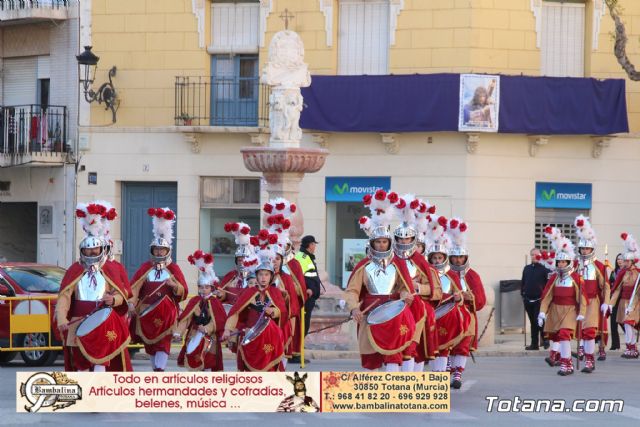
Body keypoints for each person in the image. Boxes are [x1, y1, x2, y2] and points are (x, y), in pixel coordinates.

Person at [345, 190, 417, 371]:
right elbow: (352, 290)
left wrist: (405, 294)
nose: (381, 245)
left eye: (384, 242)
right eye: (378, 242)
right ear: (372, 244)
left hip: (393, 311)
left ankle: (391, 393)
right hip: (370, 311)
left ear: (389, 243)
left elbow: (403, 286)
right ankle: (373, 394)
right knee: (372, 358)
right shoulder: (363, 265)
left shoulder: (398, 263)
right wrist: (354, 308)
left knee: (393, 355)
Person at [56, 202, 131, 372]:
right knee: (80, 364)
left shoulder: (109, 269)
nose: (92, 254)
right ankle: (85, 396)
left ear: (101, 249)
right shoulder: (75, 270)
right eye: (88, 251)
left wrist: (113, 299)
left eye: (95, 250)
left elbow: (122, 294)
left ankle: (99, 394)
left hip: (101, 322)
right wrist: (62, 319)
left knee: (101, 361)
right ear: (82, 251)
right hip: (77, 322)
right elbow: (64, 297)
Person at [130, 207, 188, 371]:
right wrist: (131, 303)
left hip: (166, 313)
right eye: (156, 249)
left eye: (162, 249)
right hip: (147, 311)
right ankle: (156, 368)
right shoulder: (145, 267)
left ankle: (159, 370)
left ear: (167, 250)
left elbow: (183, 290)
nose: (159, 251)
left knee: (163, 343)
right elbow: (134, 287)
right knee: (151, 344)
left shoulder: (174, 268)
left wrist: (174, 286)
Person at [222, 249, 288, 371]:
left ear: (271, 276)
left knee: (270, 368)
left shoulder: (275, 292)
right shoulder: (249, 292)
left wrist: (273, 311)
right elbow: (235, 312)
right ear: (256, 276)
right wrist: (227, 329)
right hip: (251, 333)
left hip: (269, 335)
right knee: (249, 367)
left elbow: (283, 312)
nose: (263, 278)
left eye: (266, 274)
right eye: (261, 274)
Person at [425, 215, 472, 376]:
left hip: (447, 316)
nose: (437, 260)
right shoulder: (425, 274)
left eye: (440, 257)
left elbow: (457, 292)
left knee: (445, 348)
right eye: (435, 257)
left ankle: (447, 375)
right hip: (431, 317)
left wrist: (459, 297)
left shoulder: (449, 275)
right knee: (431, 348)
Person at [391, 194, 434, 372]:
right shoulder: (389, 257)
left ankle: (411, 381)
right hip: (393, 304)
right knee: (391, 346)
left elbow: (433, 288)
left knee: (411, 346)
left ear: (412, 240)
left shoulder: (420, 260)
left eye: (407, 239)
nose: (403, 242)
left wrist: (418, 287)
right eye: (400, 239)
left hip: (415, 306)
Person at [538, 227, 586, 376]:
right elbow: (547, 296)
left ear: (568, 262)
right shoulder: (554, 277)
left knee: (564, 334)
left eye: (563, 262)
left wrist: (582, 312)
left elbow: (582, 297)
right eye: (558, 262)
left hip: (570, 310)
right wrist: (542, 313)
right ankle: (562, 361)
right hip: (555, 311)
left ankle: (567, 364)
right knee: (558, 336)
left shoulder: (576, 278)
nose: (560, 265)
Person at [448, 218, 486, 389]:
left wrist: (471, 298)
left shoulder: (473, 276)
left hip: (466, 316)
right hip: (448, 315)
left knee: (462, 345)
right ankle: (448, 367)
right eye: (454, 257)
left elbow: (481, 301)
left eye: (460, 257)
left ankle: (458, 373)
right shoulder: (445, 273)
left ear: (466, 258)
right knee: (447, 343)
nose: (457, 261)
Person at [175, 250, 226, 371]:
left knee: (208, 362)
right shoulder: (194, 301)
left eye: (207, 287)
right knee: (193, 363)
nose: (203, 290)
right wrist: (178, 332)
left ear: (211, 288)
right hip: (194, 333)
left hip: (210, 336)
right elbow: (186, 319)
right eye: (201, 287)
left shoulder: (215, 302)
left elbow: (218, 321)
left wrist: (207, 328)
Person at [573, 215, 610, 369]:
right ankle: (575, 356)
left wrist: (606, 302)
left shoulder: (599, 266)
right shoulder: (574, 264)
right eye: (582, 248)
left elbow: (606, 286)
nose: (584, 250)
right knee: (577, 331)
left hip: (592, 302)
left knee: (588, 331)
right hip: (576, 303)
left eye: (587, 248)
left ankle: (589, 360)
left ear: (592, 249)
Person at [610, 233, 640, 359]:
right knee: (626, 324)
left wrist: (633, 305)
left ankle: (632, 348)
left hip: (635, 302)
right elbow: (616, 290)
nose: (625, 262)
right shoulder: (622, 273)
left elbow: (638, 291)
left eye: (627, 260)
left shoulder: (638, 273)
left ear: (632, 261)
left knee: (629, 323)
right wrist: (610, 304)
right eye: (625, 260)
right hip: (623, 302)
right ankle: (630, 348)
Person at [218, 222, 254, 306]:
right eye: (239, 260)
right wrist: (221, 294)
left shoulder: (257, 275)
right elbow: (223, 295)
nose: (242, 262)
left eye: (245, 259)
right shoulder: (231, 275)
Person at [295, 235, 324, 337]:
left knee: (304, 325)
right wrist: (309, 289)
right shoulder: (303, 257)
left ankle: (299, 346)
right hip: (305, 296)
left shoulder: (306, 257)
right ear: (310, 245)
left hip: (308, 296)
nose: (315, 246)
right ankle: (298, 349)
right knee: (303, 325)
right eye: (314, 244)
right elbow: (299, 277)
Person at [521, 247, 550, 350]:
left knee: (539, 321)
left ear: (540, 256)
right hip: (528, 299)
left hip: (539, 300)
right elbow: (523, 282)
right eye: (532, 254)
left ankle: (545, 339)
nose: (534, 256)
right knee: (533, 322)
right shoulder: (526, 268)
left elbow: (548, 285)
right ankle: (534, 344)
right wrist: (523, 295)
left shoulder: (544, 270)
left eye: (536, 254)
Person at [609, 253, 625, 350]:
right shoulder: (613, 272)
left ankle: (629, 342)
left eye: (621, 259)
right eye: (618, 259)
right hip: (614, 299)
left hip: (623, 299)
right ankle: (615, 344)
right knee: (613, 322)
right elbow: (609, 284)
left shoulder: (627, 272)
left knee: (623, 322)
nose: (619, 261)